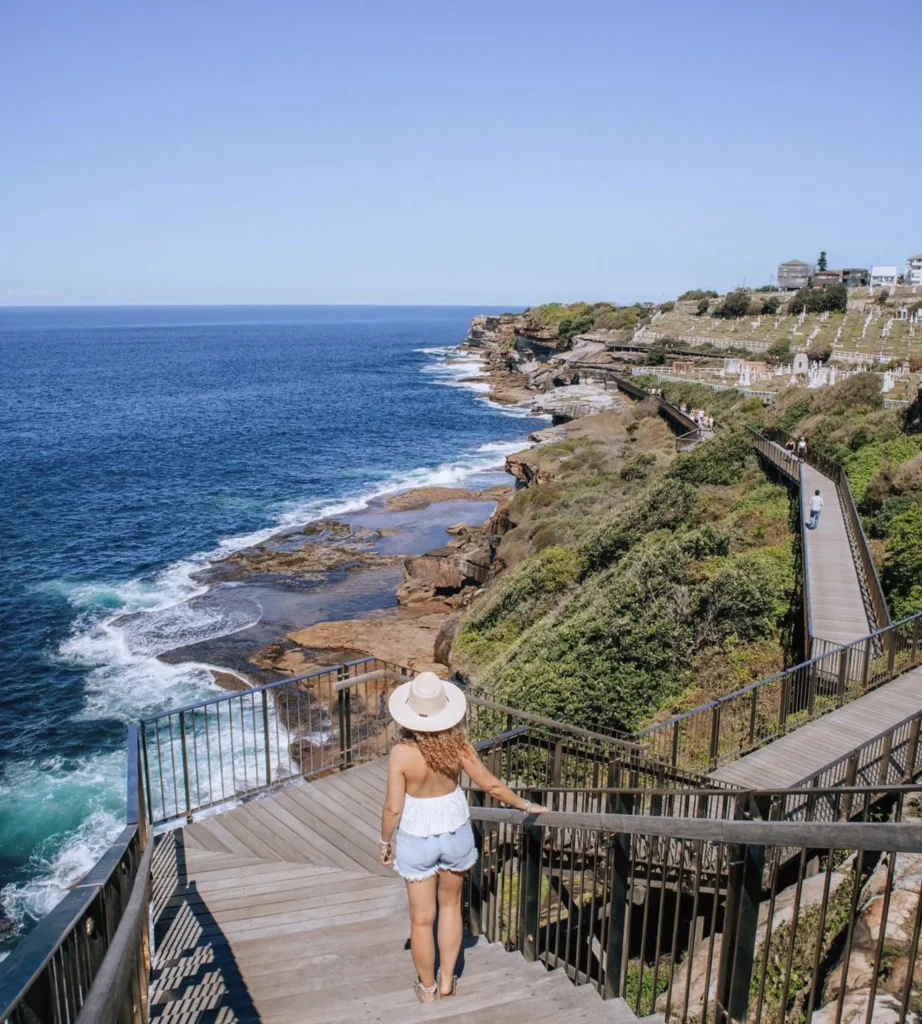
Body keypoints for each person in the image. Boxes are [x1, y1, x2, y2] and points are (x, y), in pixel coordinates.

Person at [380, 672, 546, 1003]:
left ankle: (427, 991)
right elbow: (491, 785)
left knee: (421, 920)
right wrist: (526, 804)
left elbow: (393, 808)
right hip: (456, 833)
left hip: (416, 838)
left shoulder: (401, 753)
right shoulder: (458, 746)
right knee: (452, 906)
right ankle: (446, 983)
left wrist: (385, 842)